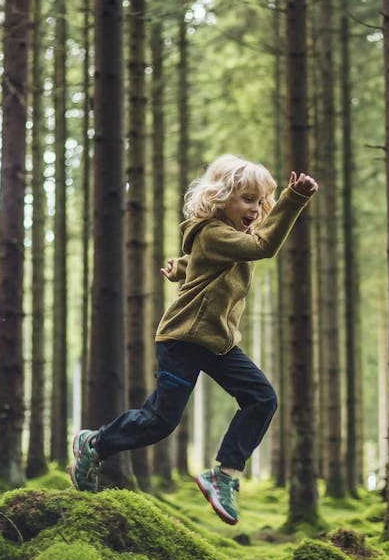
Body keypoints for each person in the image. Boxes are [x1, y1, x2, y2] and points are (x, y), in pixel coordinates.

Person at [70, 154, 318, 525]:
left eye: (261, 201)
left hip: (218, 341)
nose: (255, 208)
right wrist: (293, 199)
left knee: (262, 398)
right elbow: (260, 248)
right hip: (183, 339)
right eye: (246, 199)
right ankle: (95, 444)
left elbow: (204, 260)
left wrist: (180, 266)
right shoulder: (214, 232)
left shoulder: (227, 238)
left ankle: (224, 475)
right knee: (160, 421)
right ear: (220, 198)